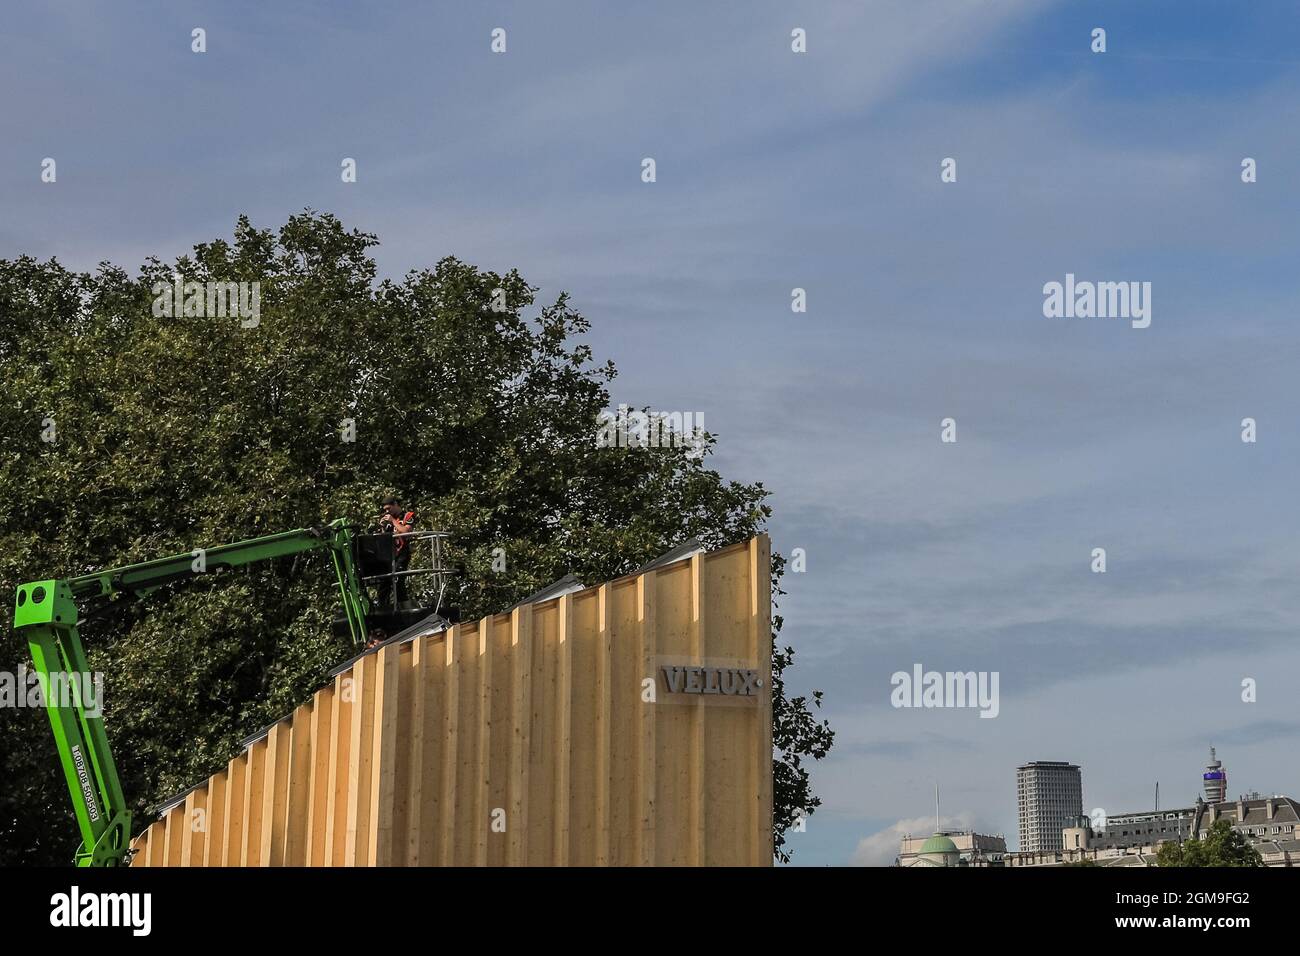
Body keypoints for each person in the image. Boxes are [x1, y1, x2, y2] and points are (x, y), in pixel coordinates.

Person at [376, 497, 416, 608]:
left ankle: (403, 606)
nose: (387, 512)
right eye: (385, 510)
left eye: (389, 508)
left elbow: (406, 532)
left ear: (396, 504)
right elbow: (384, 538)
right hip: (389, 555)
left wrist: (393, 521)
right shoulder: (388, 519)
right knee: (383, 582)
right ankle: (382, 608)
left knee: (398, 580)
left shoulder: (408, 516)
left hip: (402, 553)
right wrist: (383, 527)